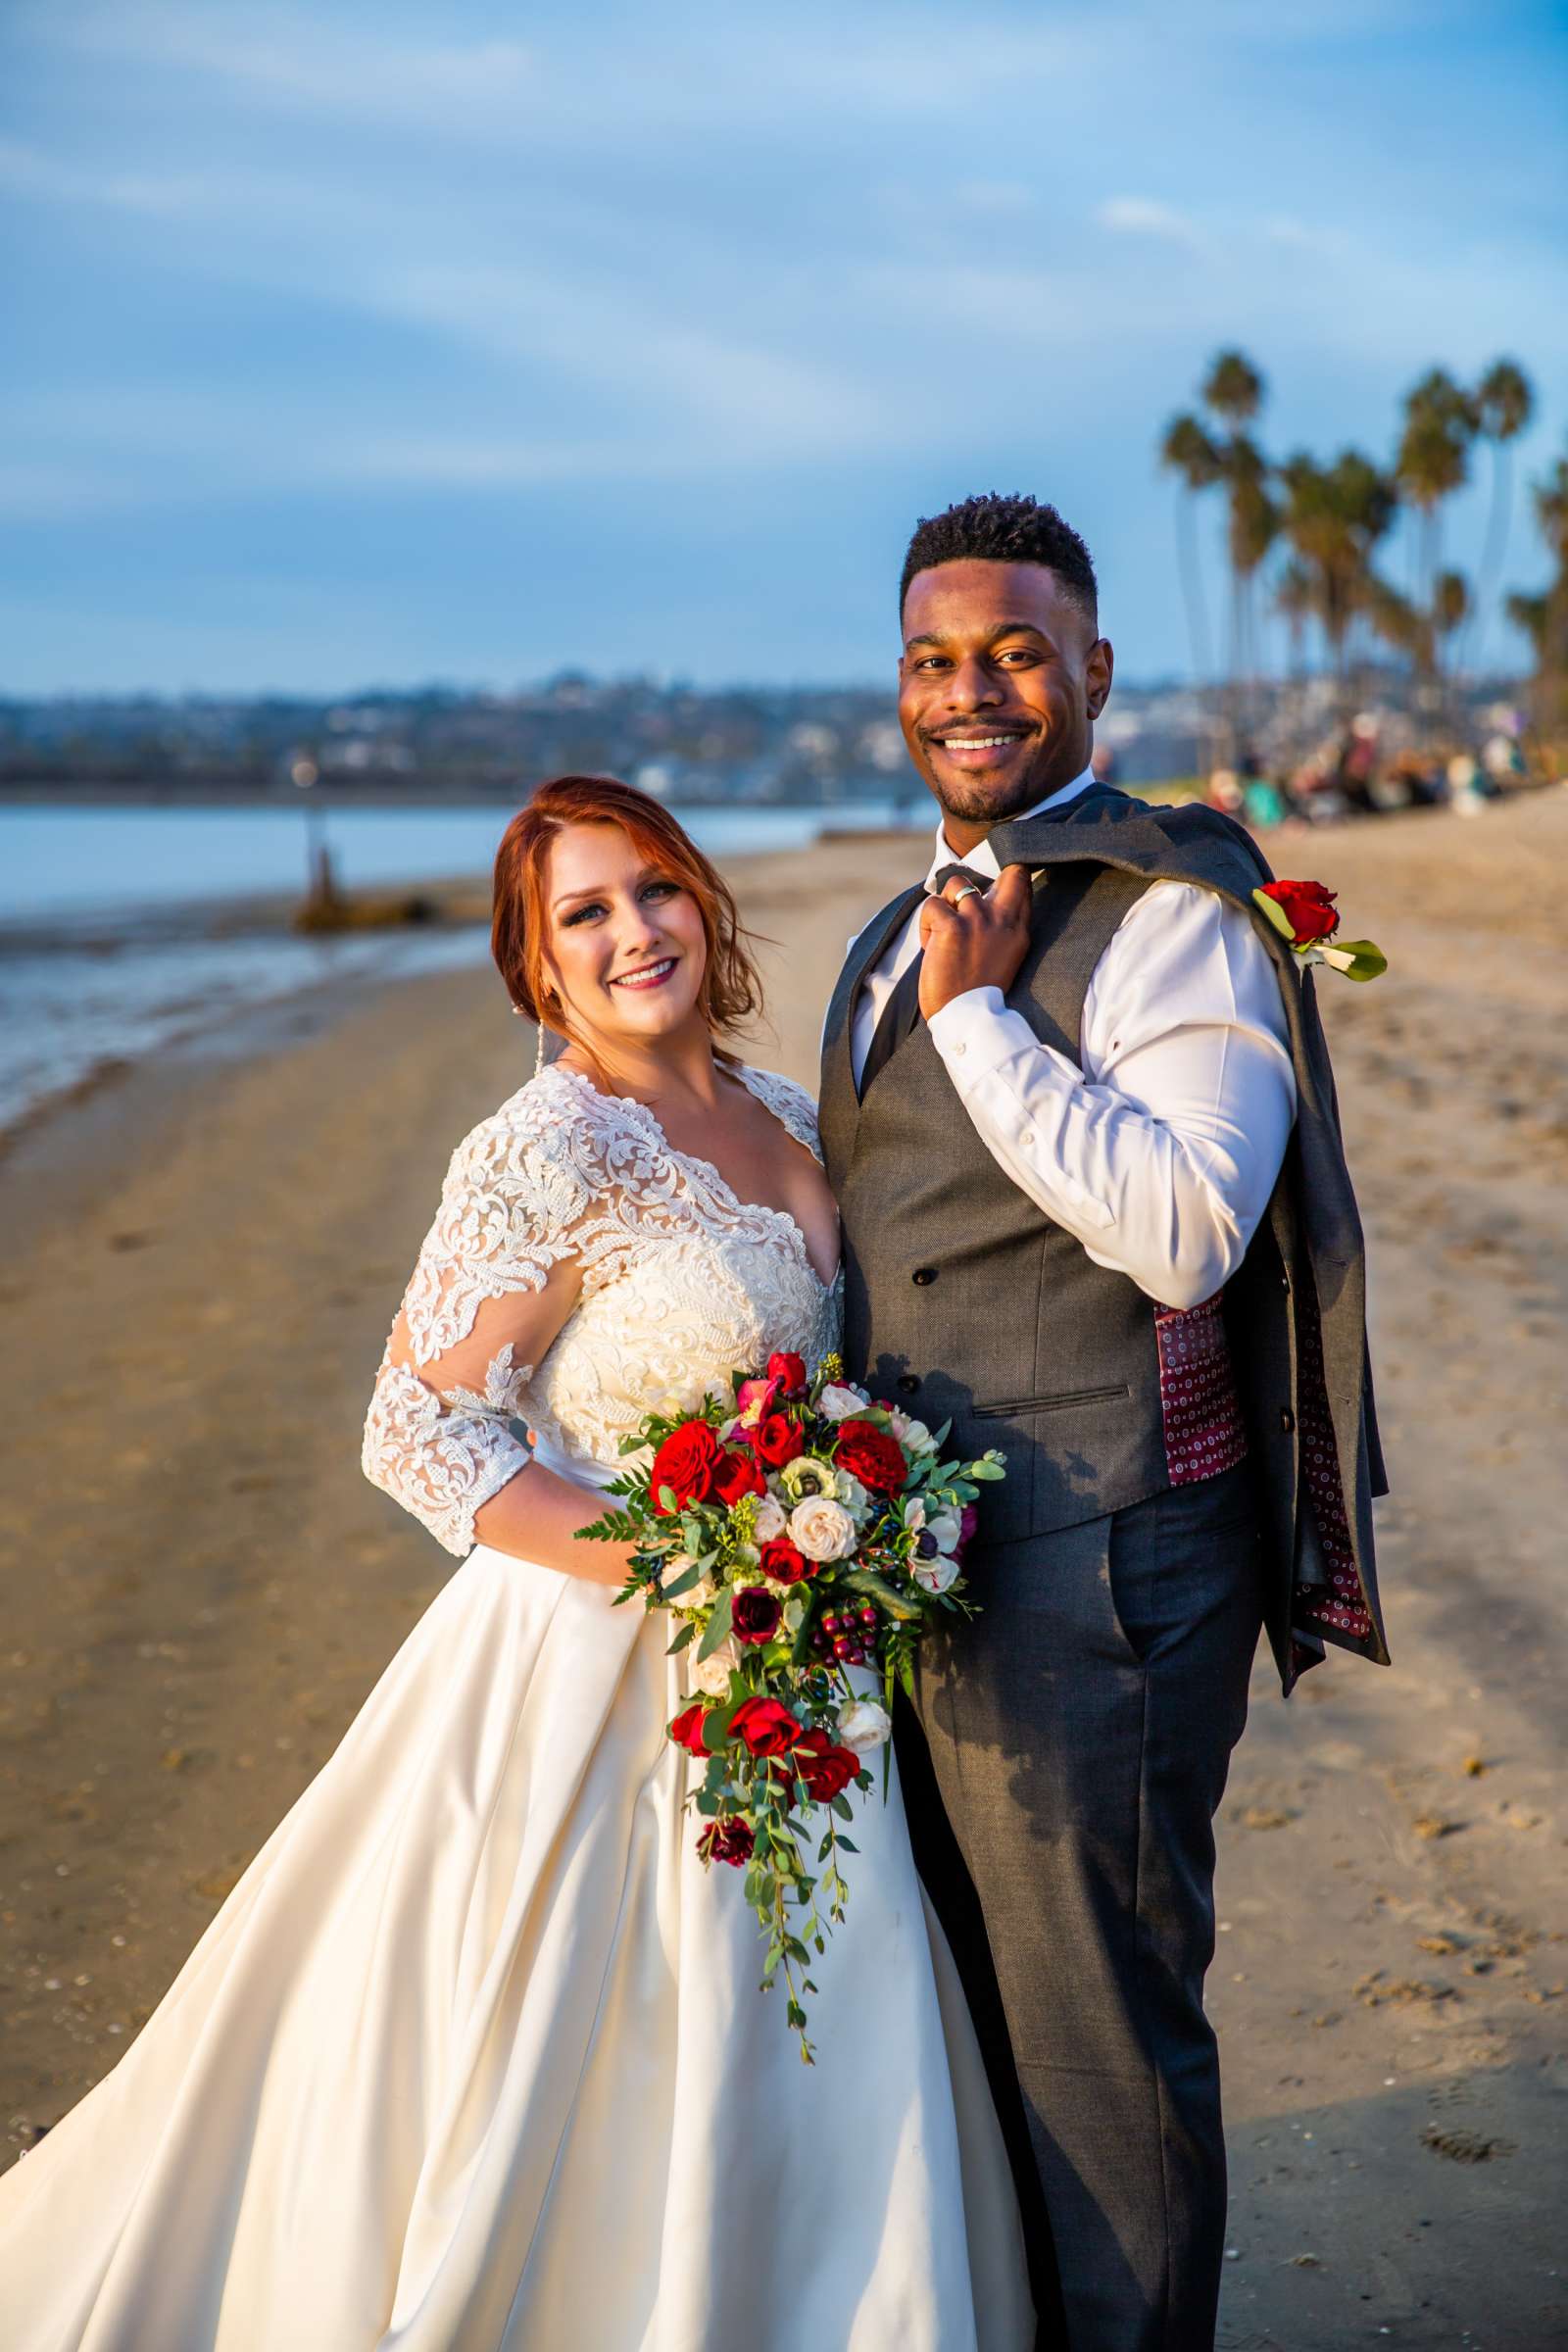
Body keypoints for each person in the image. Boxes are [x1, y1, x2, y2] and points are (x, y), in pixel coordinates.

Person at [0, 776, 1033, 2352]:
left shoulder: (784, 1114)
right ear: (536, 968)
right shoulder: (546, 1147)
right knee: (592, 2036)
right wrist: (690, 1553)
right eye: (587, 914)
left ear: (705, 897)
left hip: (801, 1667)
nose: (637, 933)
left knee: (804, 2028)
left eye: (658, 890)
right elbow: (414, 1428)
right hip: (603, 1660)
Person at [818, 495, 1389, 2352]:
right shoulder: (889, 934)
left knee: (1099, 2050)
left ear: (1093, 673)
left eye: (1013, 653)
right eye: (934, 657)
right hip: (932, 1570)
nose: (970, 691)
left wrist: (986, 1030)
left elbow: (1186, 1231)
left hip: (1109, 1575)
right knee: (982, 2020)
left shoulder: (1171, 918)